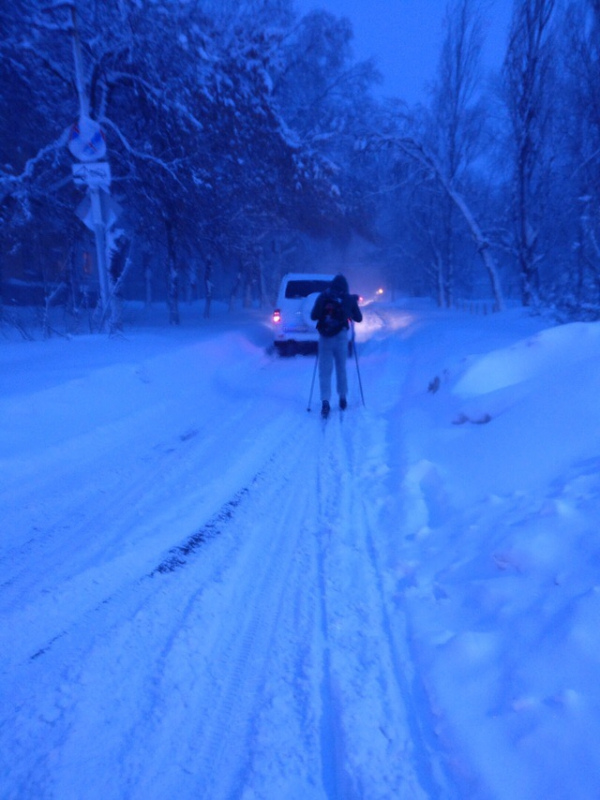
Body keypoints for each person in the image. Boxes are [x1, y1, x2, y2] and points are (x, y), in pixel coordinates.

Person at [311, 274, 362, 418]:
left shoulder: (323, 296)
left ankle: (325, 401)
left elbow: (313, 316)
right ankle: (343, 398)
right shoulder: (348, 298)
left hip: (325, 338)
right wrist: (350, 309)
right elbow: (359, 318)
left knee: (325, 371)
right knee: (341, 368)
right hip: (341, 337)